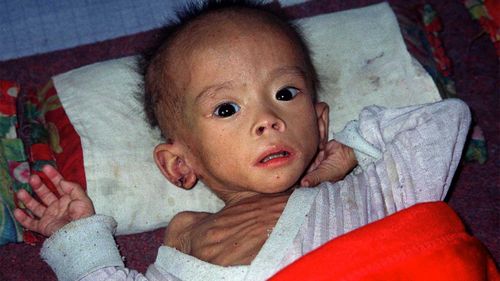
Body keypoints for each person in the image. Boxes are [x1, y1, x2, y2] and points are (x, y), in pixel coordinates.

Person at [14, 1, 471, 280]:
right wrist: (77, 239)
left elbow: (443, 120)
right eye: (227, 108)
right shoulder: (188, 235)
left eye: (285, 94)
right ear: (179, 164)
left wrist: (351, 150)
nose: (268, 119)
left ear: (319, 121)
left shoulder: (370, 188)